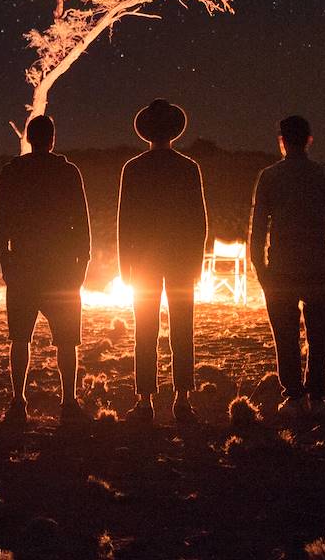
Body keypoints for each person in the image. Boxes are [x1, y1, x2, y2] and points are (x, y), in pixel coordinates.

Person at [116, 99, 209, 424]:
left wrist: (124, 264)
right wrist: (197, 262)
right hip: (181, 259)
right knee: (183, 328)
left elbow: (124, 221)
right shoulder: (188, 167)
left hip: (143, 262)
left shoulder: (134, 168)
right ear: (173, 132)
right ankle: (182, 399)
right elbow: (199, 221)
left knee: (145, 329)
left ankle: (144, 401)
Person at [0, 114, 91, 425]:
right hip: (61, 270)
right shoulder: (68, 172)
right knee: (67, 340)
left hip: (23, 267)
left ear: (28, 138)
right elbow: (82, 224)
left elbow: (1, 223)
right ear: (52, 139)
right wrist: (82, 266)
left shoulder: (11, 172)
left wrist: (6, 262)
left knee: (20, 338)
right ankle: (69, 402)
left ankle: (18, 401)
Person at [249, 114, 325, 414]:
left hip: (281, 266)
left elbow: (258, 226)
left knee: (285, 334)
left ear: (282, 141)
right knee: (318, 334)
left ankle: (293, 395)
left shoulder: (269, 176)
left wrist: (258, 265)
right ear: (309, 140)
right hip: (317, 264)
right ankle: (317, 396)